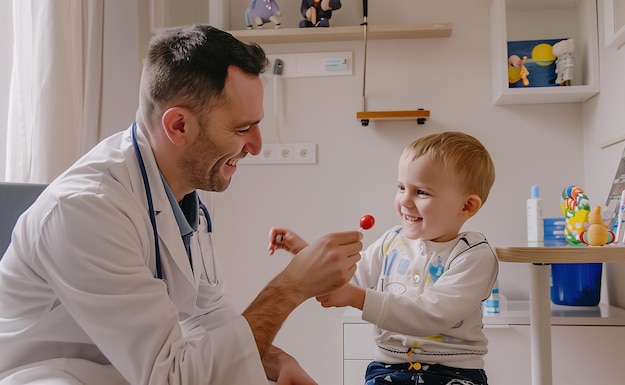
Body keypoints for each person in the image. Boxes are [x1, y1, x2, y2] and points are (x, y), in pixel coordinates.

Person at [0, 25, 363, 385]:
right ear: (178, 126)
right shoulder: (85, 211)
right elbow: (172, 378)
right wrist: (289, 287)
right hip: (49, 375)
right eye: (242, 129)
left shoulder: (194, 184)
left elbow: (205, 313)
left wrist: (277, 362)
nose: (257, 145)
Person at [269, 131, 498, 385]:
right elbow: (347, 277)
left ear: (466, 206)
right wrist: (306, 252)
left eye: (421, 192)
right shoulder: (393, 241)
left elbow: (432, 314)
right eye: (401, 187)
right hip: (389, 368)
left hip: (452, 373)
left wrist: (356, 297)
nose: (405, 201)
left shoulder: (473, 255)